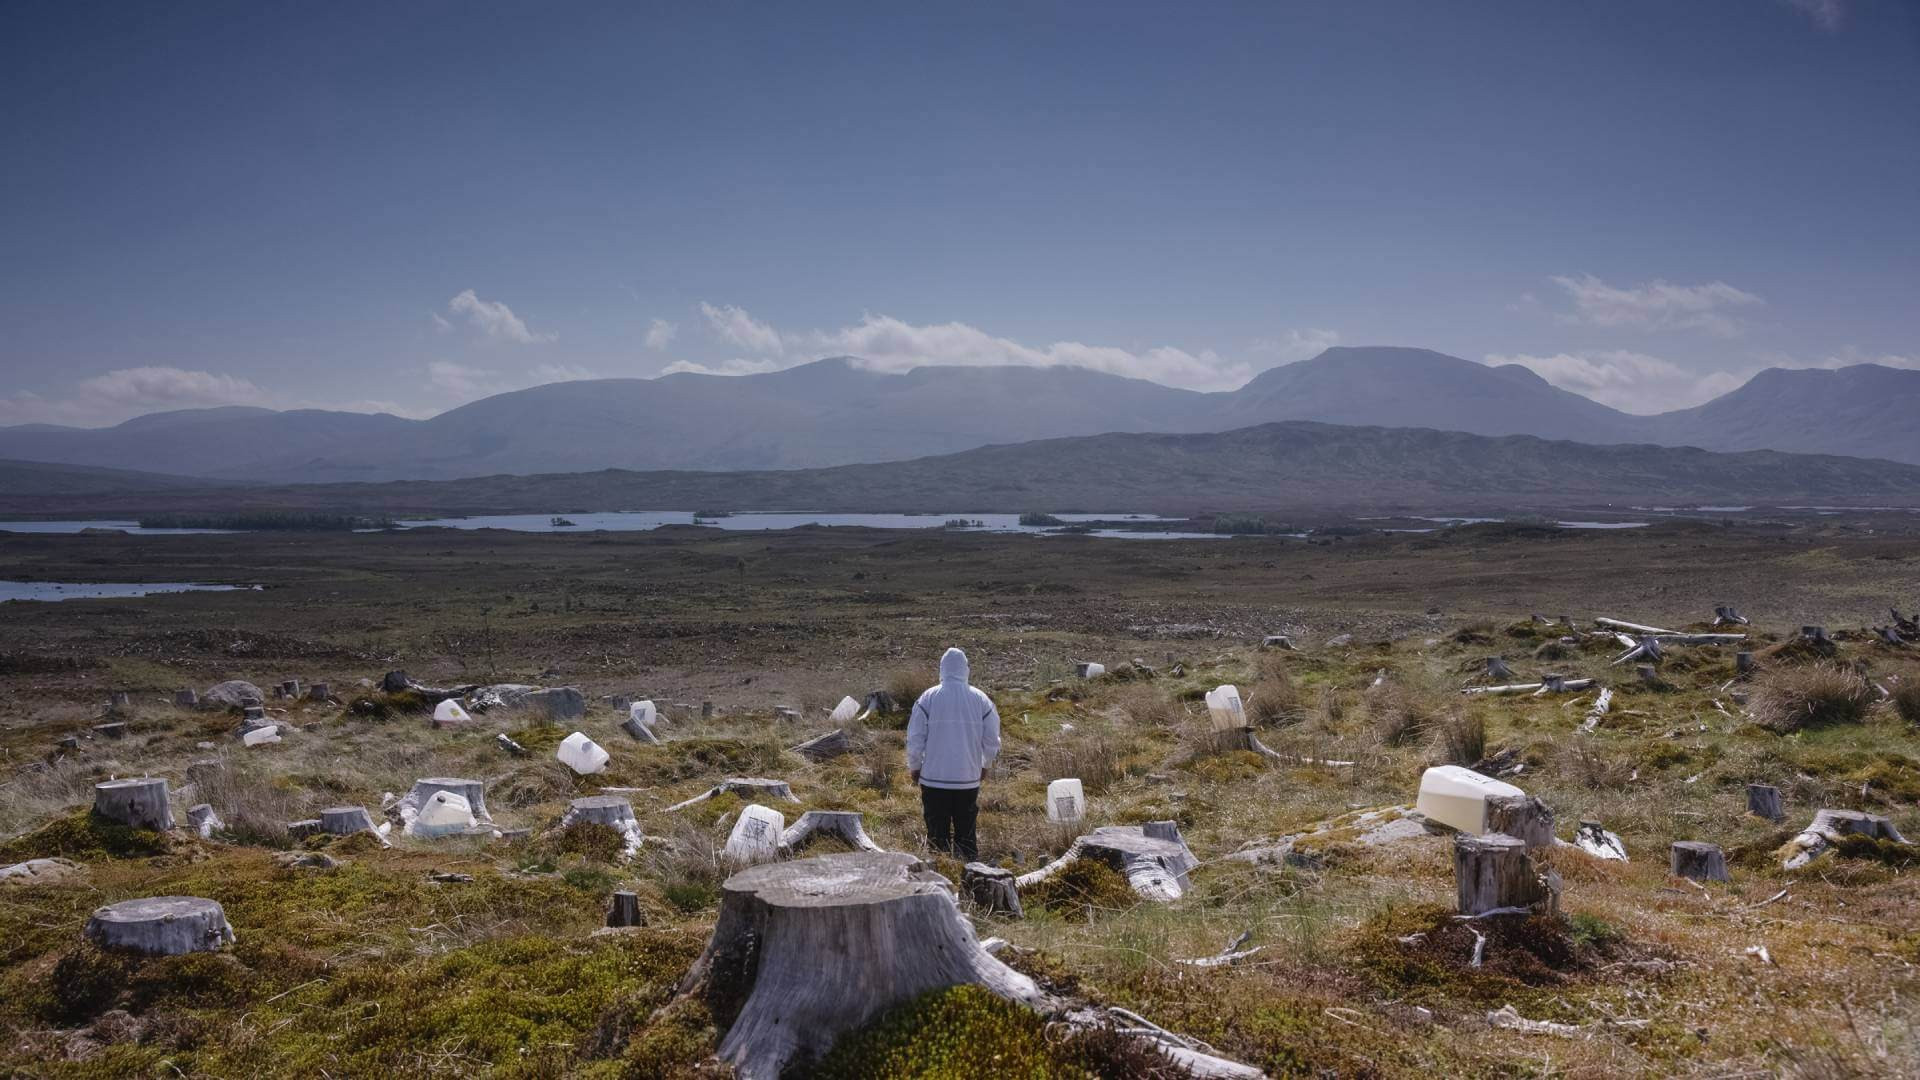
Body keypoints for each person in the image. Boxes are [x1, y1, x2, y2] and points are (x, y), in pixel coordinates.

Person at [905, 646, 1000, 861]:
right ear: (966, 669)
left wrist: (915, 766)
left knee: (937, 838)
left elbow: (915, 737)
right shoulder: (982, 700)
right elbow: (992, 739)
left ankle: (938, 881)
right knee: (966, 836)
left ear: (942, 669)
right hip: (968, 779)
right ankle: (970, 878)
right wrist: (986, 765)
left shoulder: (927, 698)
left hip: (933, 780)